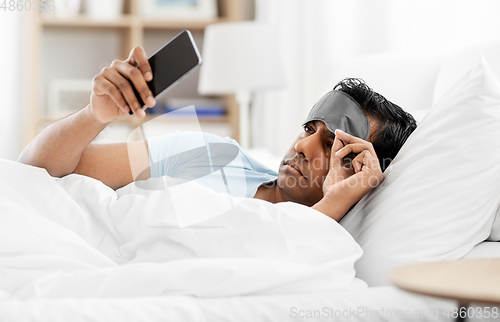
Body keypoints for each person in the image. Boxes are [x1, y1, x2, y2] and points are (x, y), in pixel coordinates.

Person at [18, 47, 417, 222]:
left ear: (363, 171)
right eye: (308, 129)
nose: (301, 146)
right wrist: (94, 115)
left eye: (331, 145)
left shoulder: (337, 233)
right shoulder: (207, 151)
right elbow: (35, 171)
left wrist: (335, 202)